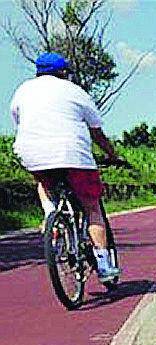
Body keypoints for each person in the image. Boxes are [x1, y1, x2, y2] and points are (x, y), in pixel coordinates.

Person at [9, 52, 123, 281]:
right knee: (92, 208)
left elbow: (18, 119)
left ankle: (51, 214)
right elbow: (96, 131)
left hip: (32, 153)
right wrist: (112, 155)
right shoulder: (75, 91)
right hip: (73, 155)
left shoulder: (23, 90)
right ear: (64, 72)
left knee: (43, 182)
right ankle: (104, 266)